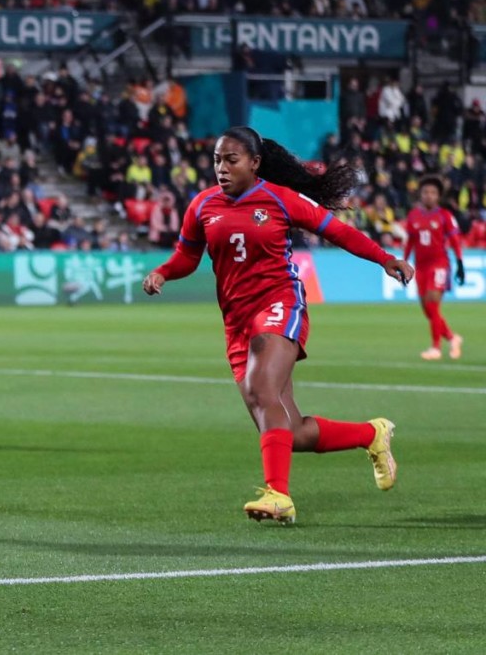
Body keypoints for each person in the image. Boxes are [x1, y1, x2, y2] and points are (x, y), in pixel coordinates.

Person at [142, 126, 414, 525]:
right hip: (236, 322)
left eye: (231, 160)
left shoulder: (280, 199)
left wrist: (385, 259)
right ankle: (371, 435)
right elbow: (187, 256)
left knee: (261, 388)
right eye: (217, 160)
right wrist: (163, 273)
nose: (221, 168)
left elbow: (338, 232)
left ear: (254, 163)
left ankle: (278, 496)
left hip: (280, 304)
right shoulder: (202, 206)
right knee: (290, 431)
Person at [403, 176, 464, 360]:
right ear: (420, 195)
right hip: (420, 267)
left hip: (439, 265)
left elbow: (454, 240)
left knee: (433, 304)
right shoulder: (413, 215)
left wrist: (460, 262)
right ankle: (452, 338)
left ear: (438, 196)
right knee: (428, 310)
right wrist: (404, 262)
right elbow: (410, 242)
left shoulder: (445, 216)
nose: (429, 196)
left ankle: (436, 348)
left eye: (433, 193)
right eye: (426, 192)